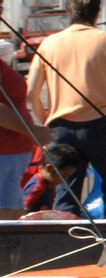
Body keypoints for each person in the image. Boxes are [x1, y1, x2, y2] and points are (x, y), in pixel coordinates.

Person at [25, 0, 106, 218]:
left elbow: (31, 94)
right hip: (102, 126)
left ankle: (68, 244)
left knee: (66, 194)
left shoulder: (49, 44)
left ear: (69, 11)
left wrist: (46, 124)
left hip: (62, 126)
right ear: (97, 13)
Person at [0, 39, 49, 220]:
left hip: (10, 156)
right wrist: (33, 132)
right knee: (8, 221)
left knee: (12, 216)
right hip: (4, 153)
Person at [20, 142, 87, 220]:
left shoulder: (49, 185)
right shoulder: (37, 186)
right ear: (49, 168)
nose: (64, 181)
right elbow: (23, 210)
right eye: (63, 176)